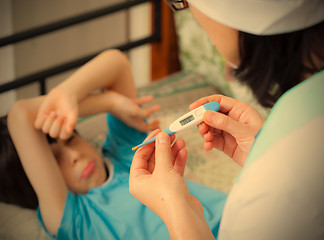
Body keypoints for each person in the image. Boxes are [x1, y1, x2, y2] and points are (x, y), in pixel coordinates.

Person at [129, 0, 324, 239]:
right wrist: (261, 150)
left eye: (182, 2)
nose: (195, 17)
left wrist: (175, 210)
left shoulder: (265, 201)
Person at [4, 49, 228, 239]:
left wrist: (68, 95)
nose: (73, 155)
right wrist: (106, 102)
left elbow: (116, 63)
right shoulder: (74, 216)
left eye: (71, 138)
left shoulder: (128, 152)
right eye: (55, 159)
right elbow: (21, 115)